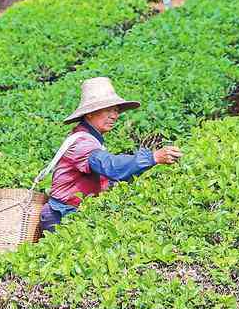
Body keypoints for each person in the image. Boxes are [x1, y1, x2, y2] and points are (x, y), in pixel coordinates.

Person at [39, 77, 182, 233]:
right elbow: (110, 166)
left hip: (76, 212)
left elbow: (112, 177)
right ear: (89, 114)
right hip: (62, 215)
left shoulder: (92, 138)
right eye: (107, 110)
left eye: (115, 110)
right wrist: (152, 157)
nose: (114, 115)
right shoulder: (83, 143)